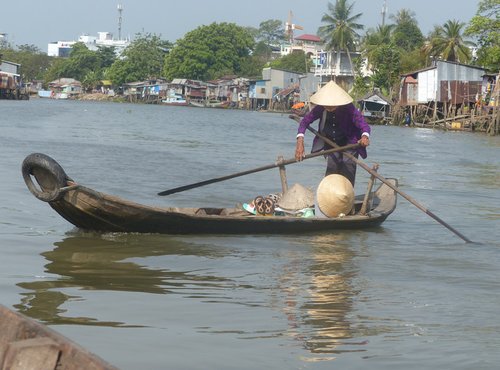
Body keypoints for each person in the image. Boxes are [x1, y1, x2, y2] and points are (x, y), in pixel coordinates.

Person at [295, 80, 371, 186]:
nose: (329, 107)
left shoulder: (348, 107)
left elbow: (363, 124)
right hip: (331, 142)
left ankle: (346, 196)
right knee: (332, 166)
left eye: (332, 105)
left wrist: (365, 136)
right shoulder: (320, 108)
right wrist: (300, 140)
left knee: (348, 165)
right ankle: (329, 196)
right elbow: (305, 122)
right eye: (327, 105)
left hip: (350, 142)